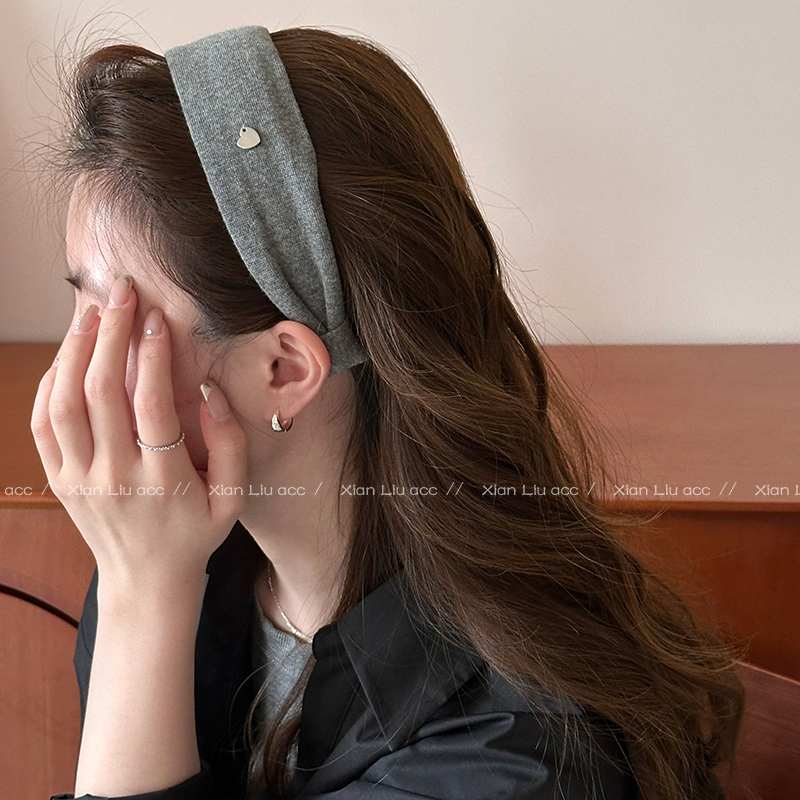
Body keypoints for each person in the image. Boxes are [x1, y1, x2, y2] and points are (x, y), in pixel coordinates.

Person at [32, 22, 745, 800]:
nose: (72, 372)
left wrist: (141, 599)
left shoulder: (510, 754)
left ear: (284, 371)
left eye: (109, 319)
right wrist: (143, 589)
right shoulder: (172, 543)